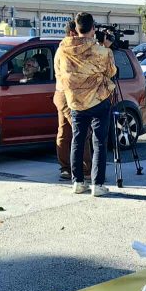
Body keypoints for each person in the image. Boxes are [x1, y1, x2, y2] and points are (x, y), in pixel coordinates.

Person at [54, 12, 117, 196]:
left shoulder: (63, 49)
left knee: (77, 140)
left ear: (76, 27)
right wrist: (106, 47)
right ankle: (97, 184)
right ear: (93, 28)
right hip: (97, 100)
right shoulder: (100, 51)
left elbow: (59, 73)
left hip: (75, 101)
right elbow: (111, 71)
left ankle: (78, 182)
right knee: (99, 141)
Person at [53, 21, 91, 181]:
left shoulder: (62, 48)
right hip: (69, 95)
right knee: (82, 131)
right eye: (78, 33)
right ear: (71, 34)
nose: (80, 36)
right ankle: (85, 170)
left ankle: (66, 168)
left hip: (61, 94)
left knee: (65, 131)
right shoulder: (68, 48)